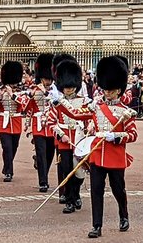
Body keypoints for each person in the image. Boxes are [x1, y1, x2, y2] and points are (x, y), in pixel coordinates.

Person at [50, 56, 138, 238]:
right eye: (105, 89)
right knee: (96, 191)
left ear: (118, 90)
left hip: (115, 156)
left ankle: (124, 214)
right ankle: (96, 225)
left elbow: (133, 135)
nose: (107, 93)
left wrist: (116, 136)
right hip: (97, 154)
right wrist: (60, 103)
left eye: (111, 90)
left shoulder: (126, 111)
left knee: (118, 190)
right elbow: (75, 114)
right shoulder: (96, 107)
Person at [46, 57, 89, 214]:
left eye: (71, 87)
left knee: (79, 171)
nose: (69, 90)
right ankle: (70, 200)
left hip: (79, 138)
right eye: (66, 87)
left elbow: (90, 119)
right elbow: (51, 122)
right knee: (67, 170)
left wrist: (87, 129)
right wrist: (61, 135)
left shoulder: (84, 101)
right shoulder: (57, 103)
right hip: (64, 139)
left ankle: (76, 194)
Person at [0, 60, 28, 183]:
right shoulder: (0, 91)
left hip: (16, 123)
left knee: (14, 147)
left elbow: (24, 105)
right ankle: (9, 172)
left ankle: (6, 166)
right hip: (4, 123)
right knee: (6, 147)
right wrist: (1, 97)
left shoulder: (20, 92)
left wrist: (13, 95)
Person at [25, 53, 56, 192]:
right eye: (45, 79)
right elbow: (27, 108)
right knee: (41, 152)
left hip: (52, 125)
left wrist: (46, 92)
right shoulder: (35, 90)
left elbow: (58, 103)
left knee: (50, 154)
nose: (47, 81)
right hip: (38, 125)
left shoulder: (56, 90)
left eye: (49, 79)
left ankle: (44, 170)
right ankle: (43, 181)